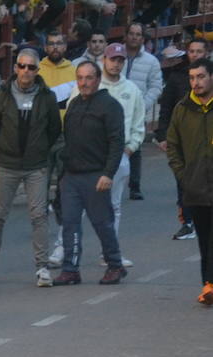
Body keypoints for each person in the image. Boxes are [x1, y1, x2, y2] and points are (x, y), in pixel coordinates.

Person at [0, 46, 62, 287]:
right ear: (15, 68)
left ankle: (42, 267)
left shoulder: (47, 96)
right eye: (22, 66)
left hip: (36, 164)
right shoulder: (2, 93)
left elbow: (54, 128)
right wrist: (3, 147)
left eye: (31, 67)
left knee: (39, 216)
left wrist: (41, 150)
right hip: (7, 163)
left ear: (37, 70)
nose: (26, 71)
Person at [55, 61, 127, 286]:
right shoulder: (74, 103)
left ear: (97, 80)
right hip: (72, 176)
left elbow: (116, 143)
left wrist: (108, 173)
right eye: (80, 78)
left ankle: (115, 265)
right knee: (69, 224)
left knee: (102, 223)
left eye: (89, 78)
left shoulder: (110, 106)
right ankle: (70, 269)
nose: (84, 83)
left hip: (97, 175)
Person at [166, 58, 213, 306]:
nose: (196, 82)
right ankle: (208, 283)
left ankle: (211, 284)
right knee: (205, 240)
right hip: (195, 188)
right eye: (192, 78)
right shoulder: (183, 109)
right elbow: (172, 147)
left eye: (201, 77)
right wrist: (183, 176)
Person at [157, 39, 205, 241]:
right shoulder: (177, 76)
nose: (195, 54)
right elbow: (166, 106)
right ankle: (187, 223)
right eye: (192, 51)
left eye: (199, 51)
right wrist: (162, 135)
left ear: (206, 53)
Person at [99, 43, 144, 249]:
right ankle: (63, 250)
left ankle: (110, 252)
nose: (116, 64)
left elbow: (138, 124)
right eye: (113, 59)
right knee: (79, 204)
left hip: (120, 154)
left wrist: (129, 149)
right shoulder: (92, 84)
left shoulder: (132, 90)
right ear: (104, 60)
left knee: (114, 206)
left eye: (120, 60)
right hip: (92, 153)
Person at [122, 22, 163, 200]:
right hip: (115, 107)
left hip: (137, 109)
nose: (134, 37)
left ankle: (135, 185)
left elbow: (155, 87)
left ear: (143, 38)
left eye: (138, 34)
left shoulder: (151, 61)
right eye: (131, 33)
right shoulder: (115, 54)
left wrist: (143, 104)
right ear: (126, 35)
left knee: (135, 146)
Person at [40, 28, 77, 98]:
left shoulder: (75, 71)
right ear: (45, 48)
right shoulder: (36, 70)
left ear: (65, 47)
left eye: (59, 43)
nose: (55, 47)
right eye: (51, 44)